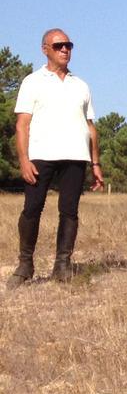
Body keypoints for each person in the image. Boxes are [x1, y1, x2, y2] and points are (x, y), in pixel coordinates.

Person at [7, 29, 103, 289]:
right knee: (32, 209)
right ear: (45, 49)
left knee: (69, 211)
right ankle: (25, 265)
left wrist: (95, 164)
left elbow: (90, 126)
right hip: (41, 155)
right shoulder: (32, 82)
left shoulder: (80, 85)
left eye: (68, 45)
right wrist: (24, 160)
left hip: (75, 156)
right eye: (59, 45)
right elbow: (22, 125)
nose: (65, 50)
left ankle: (62, 265)